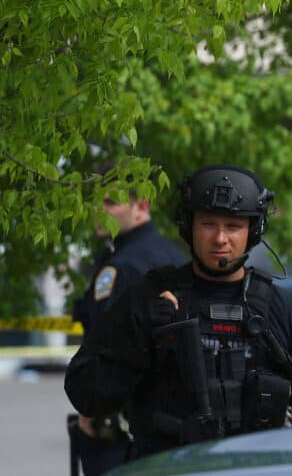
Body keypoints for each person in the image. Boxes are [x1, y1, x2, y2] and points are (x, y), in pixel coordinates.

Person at [65, 164, 292, 461]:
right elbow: (85, 392)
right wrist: (140, 338)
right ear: (189, 226)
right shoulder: (147, 299)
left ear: (253, 231)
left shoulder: (284, 311)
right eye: (208, 224)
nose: (220, 239)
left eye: (233, 226)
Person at [69, 169, 185, 476]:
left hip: (124, 427)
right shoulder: (173, 255)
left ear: (141, 207)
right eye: (95, 202)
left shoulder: (121, 267)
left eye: (110, 203)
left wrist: (94, 416)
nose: (99, 211)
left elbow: (108, 350)